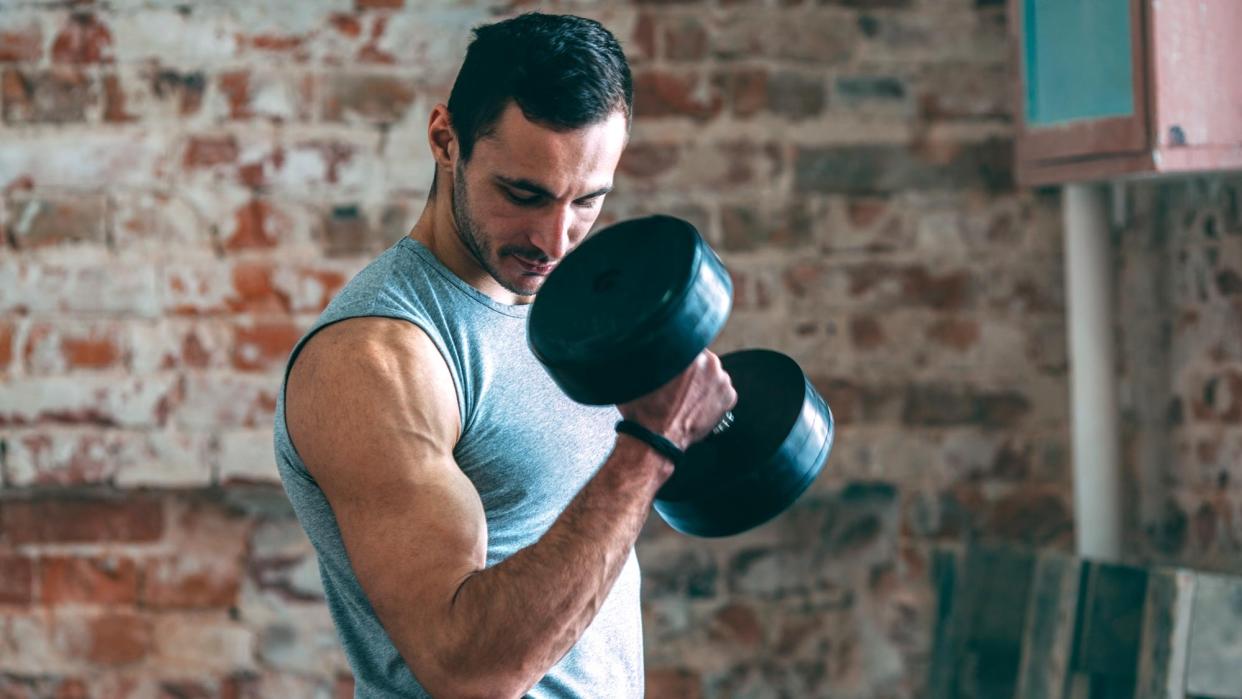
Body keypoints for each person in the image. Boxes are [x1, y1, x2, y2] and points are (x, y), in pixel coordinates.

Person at [273, 12, 736, 699]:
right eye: (524, 194)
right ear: (445, 141)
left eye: (587, 201)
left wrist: (693, 425)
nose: (554, 239)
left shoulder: (569, 314)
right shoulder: (376, 359)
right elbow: (467, 669)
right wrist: (650, 443)